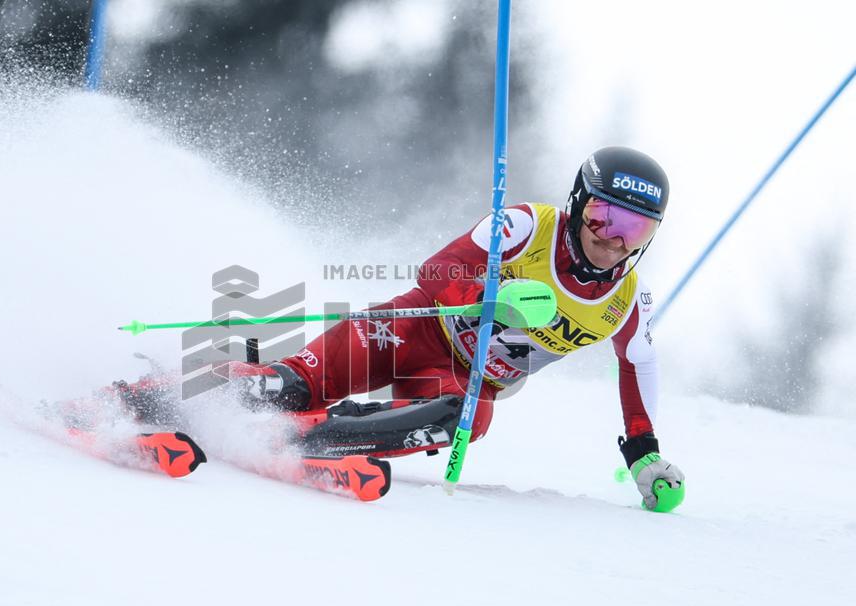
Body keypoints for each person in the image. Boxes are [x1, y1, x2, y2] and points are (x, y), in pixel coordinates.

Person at [117, 146, 685, 510]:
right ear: (579, 203)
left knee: (465, 416)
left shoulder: (627, 300)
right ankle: (153, 393)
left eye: (635, 229)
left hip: (455, 379)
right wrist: (495, 299)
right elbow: (437, 270)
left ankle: (315, 436)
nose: (614, 240)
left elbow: (639, 365)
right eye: (604, 217)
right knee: (292, 383)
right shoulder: (525, 227)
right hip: (410, 328)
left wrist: (644, 452)